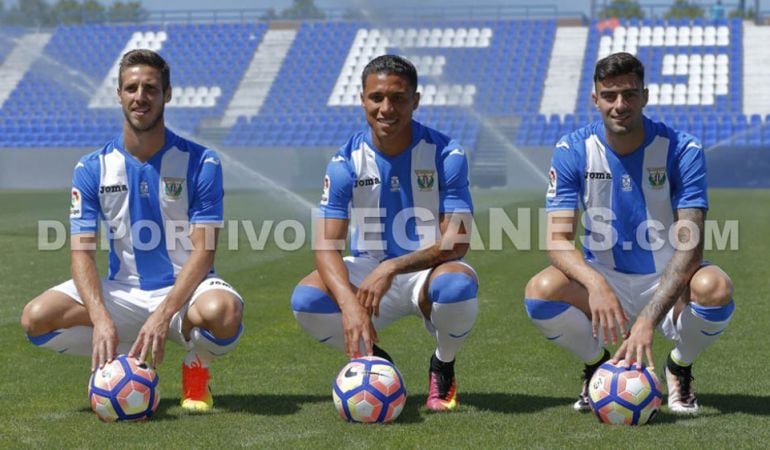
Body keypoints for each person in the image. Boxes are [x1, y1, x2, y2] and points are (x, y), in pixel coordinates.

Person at [20, 49, 243, 413]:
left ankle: (196, 363)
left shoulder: (202, 162)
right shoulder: (92, 167)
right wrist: (101, 318)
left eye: (151, 88)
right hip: (123, 292)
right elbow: (82, 253)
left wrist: (161, 314)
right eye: (132, 88)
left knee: (223, 312)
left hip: (186, 292)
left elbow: (204, 251)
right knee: (36, 318)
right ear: (119, 94)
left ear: (167, 94)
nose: (141, 97)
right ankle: (121, 357)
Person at [524, 52, 734, 415]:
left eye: (629, 94)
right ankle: (595, 367)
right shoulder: (572, 149)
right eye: (609, 95)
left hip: (667, 276)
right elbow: (557, 242)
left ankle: (679, 367)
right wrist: (596, 284)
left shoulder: (682, 149)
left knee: (715, 287)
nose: (619, 105)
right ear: (595, 99)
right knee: (540, 292)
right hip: (604, 276)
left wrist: (646, 321)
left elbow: (691, 250)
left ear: (645, 96)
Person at [290, 55, 478, 411]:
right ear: (362, 99)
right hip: (367, 270)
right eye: (376, 98)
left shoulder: (447, 153)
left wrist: (391, 268)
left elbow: (457, 241)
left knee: (457, 287)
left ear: (416, 101)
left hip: (425, 271)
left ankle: (444, 363)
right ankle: (376, 362)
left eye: (398, 98)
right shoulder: (345, 161)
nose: (386, 108)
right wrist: (349, 306)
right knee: (306, 300)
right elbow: (325, 245)